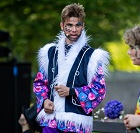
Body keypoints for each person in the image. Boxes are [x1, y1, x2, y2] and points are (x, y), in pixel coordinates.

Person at [33, 3, 110, 133]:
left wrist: (72, 91)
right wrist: (45, 100)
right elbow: (39, 83)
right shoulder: (49, 53)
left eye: (78, 25)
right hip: (50, 121)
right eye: (69, 25)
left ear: (83, 26)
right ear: (62, 26)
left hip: (76, 123)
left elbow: (99, 90)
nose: (74, 30)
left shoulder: (92, 57)